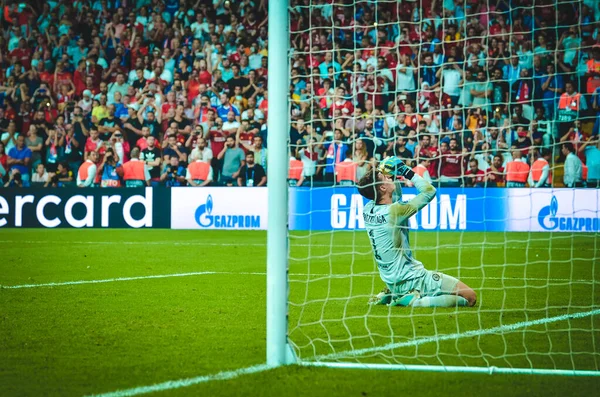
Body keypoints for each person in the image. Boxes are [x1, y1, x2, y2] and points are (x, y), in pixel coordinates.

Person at [357, 157, 476, 307]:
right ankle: (416, 301)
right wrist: (406, 172)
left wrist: (389, 174)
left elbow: (393, 196)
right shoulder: (395, 211)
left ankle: (393, 293)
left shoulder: (368, 209)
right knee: (470, 298)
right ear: (382, 188)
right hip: (414, 278)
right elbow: (429, 191)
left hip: (391, 280)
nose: (389, 177)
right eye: (385, 177)